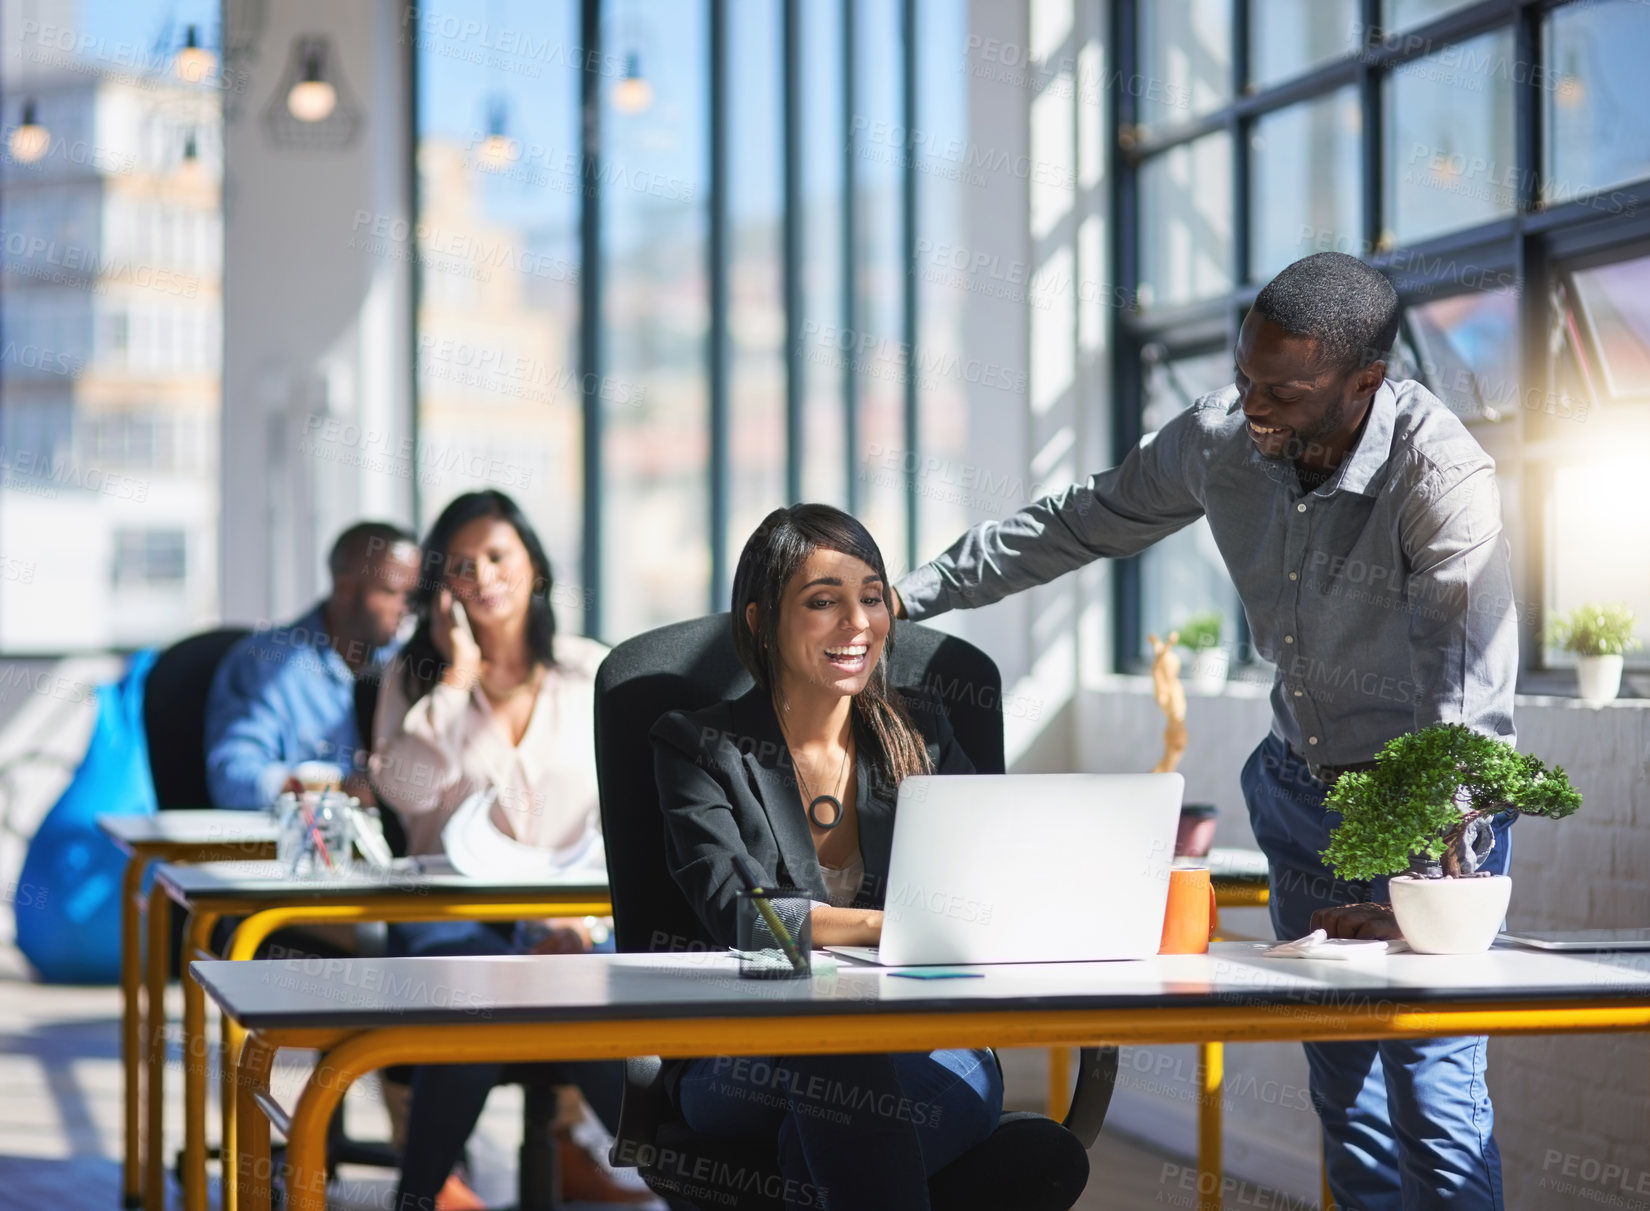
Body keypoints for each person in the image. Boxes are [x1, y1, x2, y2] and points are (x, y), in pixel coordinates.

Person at [888, 251, 1517, 1209]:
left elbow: (1463, 703)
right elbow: (1082, 521)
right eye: (1243, 376)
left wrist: (1430, 883)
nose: (1252, 404)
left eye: (1283, 389)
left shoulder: (1441, 477)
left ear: (1364, 383)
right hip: (1303, 799)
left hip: (1425, 813)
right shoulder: (1224, 436)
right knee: (1346, 1101)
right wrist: (908, 595)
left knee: (1432, 1095)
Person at [650, 504, 1003, 1211]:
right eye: (823, 601)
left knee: (819, 1140)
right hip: (747, 1048)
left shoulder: (925, 736)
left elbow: (993, 881)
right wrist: (886, 925)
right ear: (758, 620)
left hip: (923, 1034)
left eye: (872, 597)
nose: (858, 623)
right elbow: (746, 922)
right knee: (836, 1050)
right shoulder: (697, 746)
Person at [368, 490, 646, 1210]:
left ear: (537, 571)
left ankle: (677, 1180)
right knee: (482, 991)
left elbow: (631, 817)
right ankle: (421, 1194)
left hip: (572, 912)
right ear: (441, 588)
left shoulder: (593, 672)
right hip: (449, 914)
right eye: (461, 564)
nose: (483, 575)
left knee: (582, 988)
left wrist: (583, 924)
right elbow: (403, 792)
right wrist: (456, 680)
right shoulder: (416, 679)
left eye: (498, 556)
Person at [205, 522, 419, 809]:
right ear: (345, 588)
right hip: (297, 844)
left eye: (414, 596)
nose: (406, 608)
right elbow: (232, 775)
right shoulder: (266, 664)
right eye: (393, 592)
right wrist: (328, 791)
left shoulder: (403, 665)